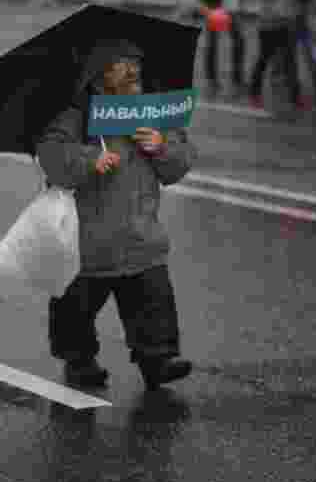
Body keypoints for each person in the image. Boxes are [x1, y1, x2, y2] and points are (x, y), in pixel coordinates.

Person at [36, 39, 196, 390]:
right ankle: (79, 360)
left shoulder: (151, 113)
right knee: (75, 309)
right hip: (86, 244)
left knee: (153, 304)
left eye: (135, 62)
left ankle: (158, 360)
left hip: (141, 238)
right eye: (121, 64)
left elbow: (178, 164)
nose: (132, 70)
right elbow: (52, 156)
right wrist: (90, 160)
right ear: (97, 76)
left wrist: (161, 147)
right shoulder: (76, 115)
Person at [248, 0, 305, 111]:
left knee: (290, 61)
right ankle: (254, 93)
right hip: (267, 23)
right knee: (263, 59)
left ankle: (296, 97)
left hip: (285, 22)